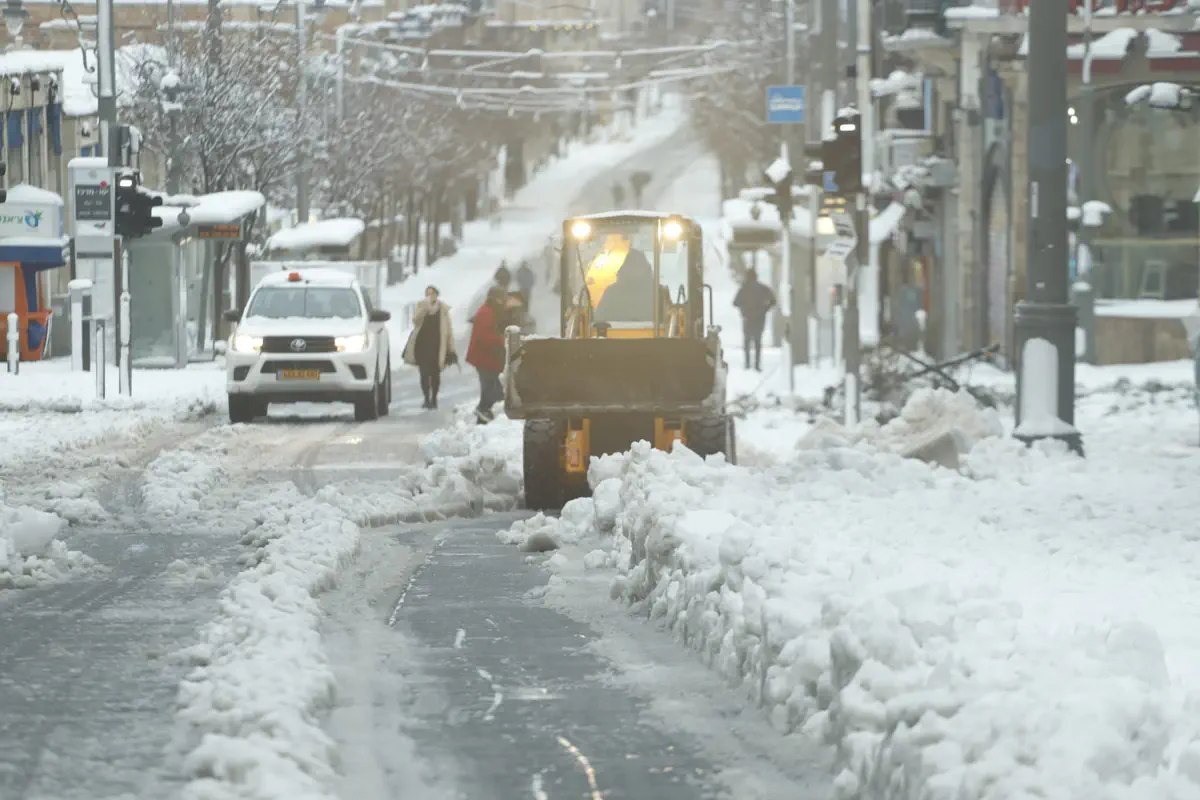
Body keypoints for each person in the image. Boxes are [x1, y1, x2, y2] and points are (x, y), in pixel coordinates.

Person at [403, 285, 457, 409]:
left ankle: (434, 399)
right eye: (427, 294)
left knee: (435, 374)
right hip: (422, 346)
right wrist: (424, 309)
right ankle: (426, 398)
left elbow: (448, 331)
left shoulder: (443, 310)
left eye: (432, 293)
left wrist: (451, 348)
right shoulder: (421, 306)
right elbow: (415, 321)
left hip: (437, 347)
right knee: (424, 373)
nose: (429, 296)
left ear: (437, 295)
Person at [466, 286, 509, 423]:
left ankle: (483, 417)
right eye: (502, 298)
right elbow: (484, 336)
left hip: (488, 357)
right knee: (491, 388)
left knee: (493, 387)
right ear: (496, 298)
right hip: (483, 357)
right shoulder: (486, 312)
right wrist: (502, 339)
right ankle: (483, 410)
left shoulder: (491, 310)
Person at [733, 267, 777, 372]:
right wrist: (765, 309)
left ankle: (747, 363)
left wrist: (743, 308)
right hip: (760, 317)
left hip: (747, 318)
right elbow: (773, 301)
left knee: (747, 341)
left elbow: (735, 302)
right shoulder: (763, 288)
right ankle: (757, 365)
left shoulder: (744, 289)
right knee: (758, 341)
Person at [594, 249, 654, 323]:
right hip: (614, 330)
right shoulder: (612, 292)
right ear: (624, 267)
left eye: (638, 266)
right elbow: (599, 321)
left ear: (645, 268)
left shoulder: (658, 293)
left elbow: (666, 322)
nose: (634, 270)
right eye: (631, 265)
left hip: (654, 330)